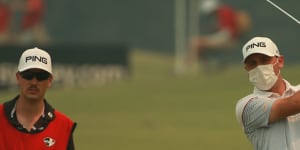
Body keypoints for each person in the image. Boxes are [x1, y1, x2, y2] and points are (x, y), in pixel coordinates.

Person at [0, 47, 76, 149]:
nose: (34, 82)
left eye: (41, 76)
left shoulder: (63, 126)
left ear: (49, 80)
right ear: (18, 77)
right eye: (28, 75)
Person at [235, 36, 300, 150]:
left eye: (265, 60)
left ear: (280, 61)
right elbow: (294, 103)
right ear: (247, 69)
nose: (259, 67)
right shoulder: (247, 106)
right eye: (252, 63)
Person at [186, 0, 251, 71]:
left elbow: (226, 33)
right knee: (197, 44)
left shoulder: (223, 12)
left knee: (195, 43)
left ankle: (188, 67)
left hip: (226, 39)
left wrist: (207, 39)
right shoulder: (224, 11)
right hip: (227, 38)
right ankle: (208, 65)